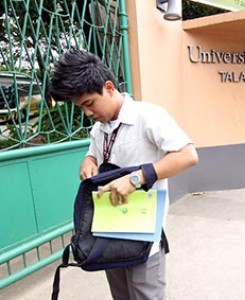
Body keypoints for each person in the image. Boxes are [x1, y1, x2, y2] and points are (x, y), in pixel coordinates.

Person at [49, 48, 199, 299]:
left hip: (144, 237)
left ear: (108, 87)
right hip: (110, 232)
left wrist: (136, 178)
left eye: (89, 103)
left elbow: (188, 155)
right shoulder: (99, 129)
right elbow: (94, 153)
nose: (87, 112)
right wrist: (88, 160)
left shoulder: (148, 116)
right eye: (81, 107)